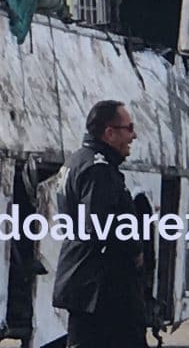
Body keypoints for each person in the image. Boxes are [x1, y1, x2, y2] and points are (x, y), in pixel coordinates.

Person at [53, 100, 148, 348]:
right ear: (109, 132)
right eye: (129, 128)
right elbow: (99, 226)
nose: (134, 135)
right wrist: (135, 251)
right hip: (104, 289)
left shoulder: (76, 161)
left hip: (83, 281)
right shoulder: (99, 170)